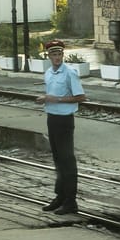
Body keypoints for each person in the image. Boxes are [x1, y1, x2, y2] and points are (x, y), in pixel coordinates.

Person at [35, 39, 86, 214]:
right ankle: (61, 197)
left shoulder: (70, 73)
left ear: (63, 55)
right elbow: (52, 94)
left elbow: (80, 97)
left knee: (67, 161)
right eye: (53, 54)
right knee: (58, 160)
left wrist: (54, 99)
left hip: (65, 120)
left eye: (59, 54)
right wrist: (46, 99)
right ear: (48, 56)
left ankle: (71, 201)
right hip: (52, 118)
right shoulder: (49, 73)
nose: (57, 57)